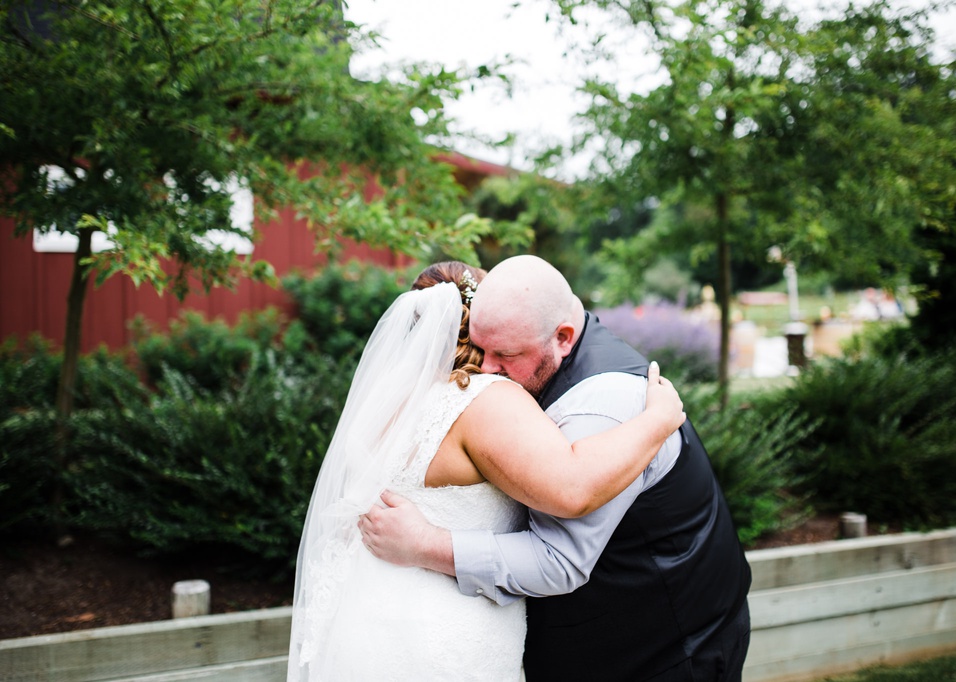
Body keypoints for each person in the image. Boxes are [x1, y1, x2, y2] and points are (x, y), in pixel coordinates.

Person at [287, 261, 685, 681]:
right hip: (443, 636)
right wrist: (657, 421)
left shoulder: (388, 400)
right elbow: (572, 487)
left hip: (364, 618)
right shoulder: (488, 401)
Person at [360, 255, 752, 682]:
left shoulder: (600, 406)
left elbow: (558, 559)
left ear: (564, 337)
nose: (486, 369)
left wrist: (425, 543)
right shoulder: (516, 371)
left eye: (504, 354)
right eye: (480, 347)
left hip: (661, 652)